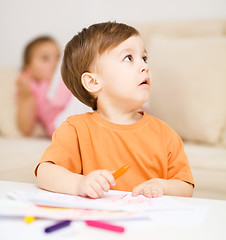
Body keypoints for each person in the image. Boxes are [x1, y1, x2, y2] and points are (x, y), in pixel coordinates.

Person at [35, 22, 194, 199]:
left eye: (144, 58)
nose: (144, 66)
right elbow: (45, 173)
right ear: (93, 82)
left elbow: (186, 187)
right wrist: (80, 183)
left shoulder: (165, 134)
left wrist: (161, 186)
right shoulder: (75, 129)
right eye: (129, 58)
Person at [16, 36, 91, 137]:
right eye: (45, 58)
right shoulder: (32, 86)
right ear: (28, 69)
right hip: (61, 123)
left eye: (58, 57)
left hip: (81, 110)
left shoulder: (66, 77)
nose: (55, 63)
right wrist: (26, 95)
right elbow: (25, 128)